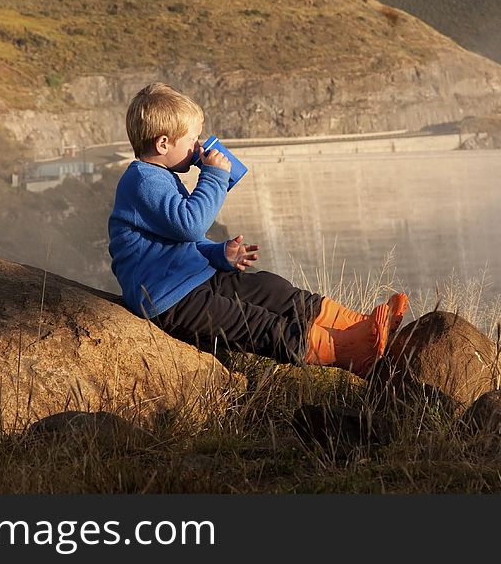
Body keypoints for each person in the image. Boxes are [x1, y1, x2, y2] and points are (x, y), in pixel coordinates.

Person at [108, 82, 408, 376]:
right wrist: (213, 176)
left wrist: (219, 253)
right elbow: (190, 225)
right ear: (163, 144)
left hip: (192, 280)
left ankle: (359, 325)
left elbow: (177, 243)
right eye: (192, 139)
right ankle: (350, 351)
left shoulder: (159, 177)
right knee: (257, 323)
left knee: (271, 288)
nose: (198, 147)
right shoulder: (143, 180)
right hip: (170, 299)